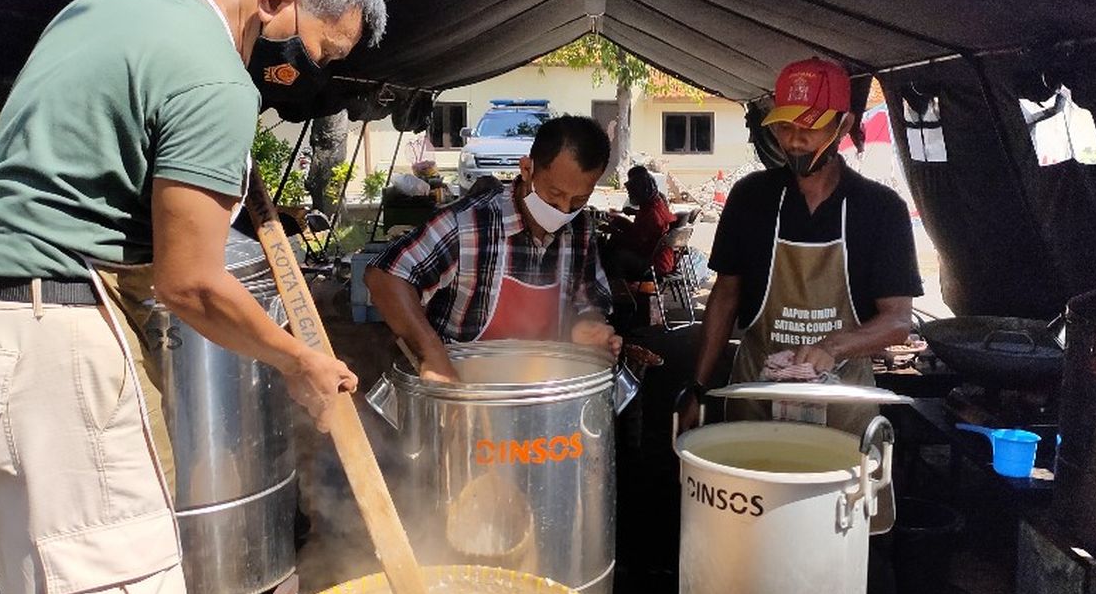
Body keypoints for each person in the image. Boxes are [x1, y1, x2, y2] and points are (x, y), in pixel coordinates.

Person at [0, 0, 385, 594]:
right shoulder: (215, 80)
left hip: (15, 335)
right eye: (320, 54)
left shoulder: (105, 8)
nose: (311, 76)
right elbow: (193, 283)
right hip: (61, 339)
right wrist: (299, 359)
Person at [678, 58, 922, 436]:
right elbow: (725, 296)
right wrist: (698, 386)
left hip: (843, 409)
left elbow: (898, 321)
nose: (794, 140)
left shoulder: (880, 208)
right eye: (785, 127)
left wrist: (833, 347)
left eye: (809, 128)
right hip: (756, 397)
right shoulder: (750, 198)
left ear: (844, 125)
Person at [365, 116, 621, 382]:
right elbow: (385, 277)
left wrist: (586, 326)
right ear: (527, 169)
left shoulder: (579, 229)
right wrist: (432, 355)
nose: (564, 210)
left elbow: (589, 300)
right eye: (555, 194)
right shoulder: (468, 223)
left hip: (539, 392)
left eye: (579, 200)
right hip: (460, 392)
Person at [602, 165, 677, 280]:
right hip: (663, 260)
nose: (629, 195)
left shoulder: (652, 214)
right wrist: (620, 220)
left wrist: (614, 232)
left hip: (653, 263)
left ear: (641, 191)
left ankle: (616, 286)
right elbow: (638, 232)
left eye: (632, 192)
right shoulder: (656, 204)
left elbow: (637, 245)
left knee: (613, 253)